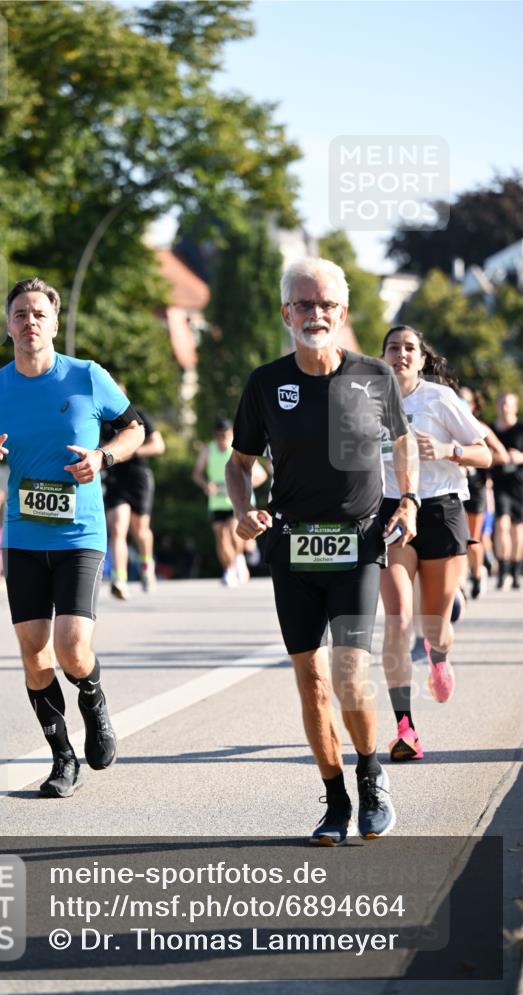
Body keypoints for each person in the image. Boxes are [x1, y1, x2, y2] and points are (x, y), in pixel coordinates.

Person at [226, 258, 418, 845]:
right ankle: (334, 799)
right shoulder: (265, 383)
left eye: (327, 304)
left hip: (358, 545)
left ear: (343, 312)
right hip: (291, 547)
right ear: (286, 313)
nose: (316, 314)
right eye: (304, 305)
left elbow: (402, 441)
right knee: (311, 677)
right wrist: (243, 512)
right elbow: (240, 466)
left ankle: (370, 775)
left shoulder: (373, 377)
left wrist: (407, 500)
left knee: (350, 674)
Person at [0, 277, 144, 798]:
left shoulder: (87, 377)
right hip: (21, 536)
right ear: (7, 326)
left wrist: (103, 457)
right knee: (34, 652)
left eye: (39, 313)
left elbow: (136, 429)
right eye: (19, 314)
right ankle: (62, 756)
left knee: (71, 647)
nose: (29, 322)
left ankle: (93, 695)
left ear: (55, 323)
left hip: (81, 533)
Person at [379, 327, 491, 764]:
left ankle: (439, 655)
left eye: (410, 349)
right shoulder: (367, 401)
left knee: (434, 623)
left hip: (441, 510)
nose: (401, 354)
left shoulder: (440, 399)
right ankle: (405, 729)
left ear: (422, 360)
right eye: (393, 348)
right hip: (391, 512)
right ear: (382, 357)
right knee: (398, 616)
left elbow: (485, 453)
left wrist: (448, 449)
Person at [103, 390, 165, 600]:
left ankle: (147, 564)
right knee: (117, 527)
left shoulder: (138, 414)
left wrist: (131, 450)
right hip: (115, 479)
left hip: (138, 477)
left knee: (140, 530)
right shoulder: (101, 420)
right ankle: (119, 579)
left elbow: (158, 446)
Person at [193, 419, 267, 586]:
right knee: (221, 537)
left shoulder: (239, 451)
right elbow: (197, 474)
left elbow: (261, 476)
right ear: (215, 436)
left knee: (231, 531)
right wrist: (206, 485)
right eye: (219, 436)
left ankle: (241, 556)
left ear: (232, 434)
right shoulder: (207, 450)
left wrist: (244, 486)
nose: (223, 440)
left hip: (238, 501)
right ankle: (230, 569)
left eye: (226, 436)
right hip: (217, 502)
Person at [457, 387, 509, 598]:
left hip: (475, 489)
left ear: (474, 406)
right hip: (451, 489)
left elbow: (502, 456)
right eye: (457, 398)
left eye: (465, 401)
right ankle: (459, 583)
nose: (460, 403)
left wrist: (476, 457)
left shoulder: (480, 428)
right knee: (456, 539)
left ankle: (478, 573)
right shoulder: (445, 423)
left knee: (473, 540)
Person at [490, 391, 523, 590]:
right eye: (501, 402)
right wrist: (500, 458)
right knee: (501, 525)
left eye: (508, 403)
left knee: (517, 530)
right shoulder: (492, 429)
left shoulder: (521, 429)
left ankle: (515, 570)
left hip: (519, 484)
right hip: (499, 484)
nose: (505, 407)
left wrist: (518, 457)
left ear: (515, 407)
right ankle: (502, 570)